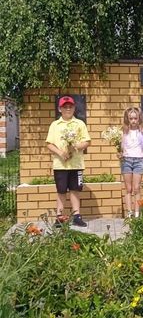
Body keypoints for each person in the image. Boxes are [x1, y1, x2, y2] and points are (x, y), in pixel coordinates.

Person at [46, 95, 91, 227]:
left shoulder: (80, 124)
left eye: (70, 106)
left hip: (76, 164)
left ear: (74, 108)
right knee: (61, 191)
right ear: (59, 109)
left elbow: (87, 142)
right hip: (60, 165)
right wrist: (60, 153)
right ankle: (59, 218)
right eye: (65, 107)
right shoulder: (55, 125)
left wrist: (75, 147)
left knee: (75, 190)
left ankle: (76, 216)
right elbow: (49, 144)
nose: (68, 109)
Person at [121, 107, 143, 218]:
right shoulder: (124, 132)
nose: (133, 121)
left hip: (138, 161)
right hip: (127, 161)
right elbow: (120, 148)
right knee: (128, 189)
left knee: (136, 188)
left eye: (135, 118)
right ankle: (129, 212)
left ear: (139, 119)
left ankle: (137, 213)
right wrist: (120, 153)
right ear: (127, 119)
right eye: (131, 118)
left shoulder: (142, 132)